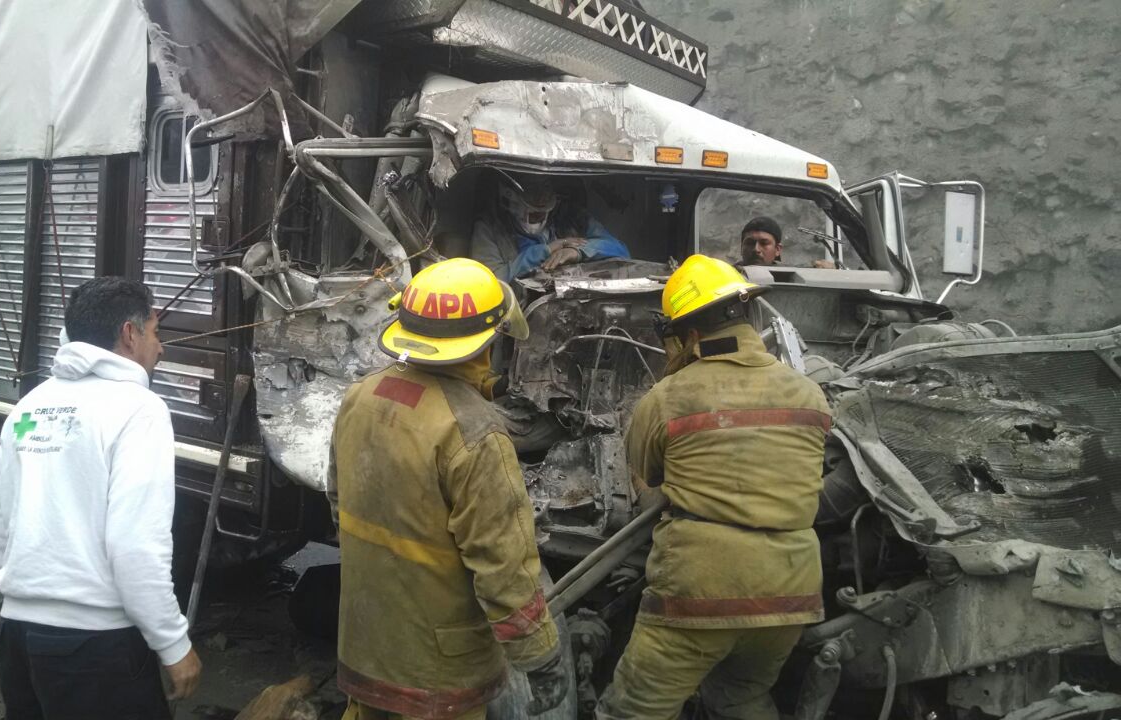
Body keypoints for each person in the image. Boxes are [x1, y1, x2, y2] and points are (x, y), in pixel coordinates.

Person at [328, 257, 567, 720]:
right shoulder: (474, 433)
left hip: (365, 645)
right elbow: (504, 567)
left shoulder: (359, 397)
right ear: (487, 342)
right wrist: (540, 658)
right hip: (439, 671)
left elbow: (339, 505)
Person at [597, 255, 831, 720]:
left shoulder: (667, 398)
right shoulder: (809, 393)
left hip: (699, 594)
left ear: (688, 336)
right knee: (739, 699)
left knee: (632, 711)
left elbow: (648, 475)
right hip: (792, 596)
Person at [0, 277, 200, 719]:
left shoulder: (30, 406)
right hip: (95, 648)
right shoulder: (138, 409)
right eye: (155, 332)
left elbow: (1, 527)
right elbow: (135, 544)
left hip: (16, 639)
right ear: (130, 334)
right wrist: (173, 643)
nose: (160, 348)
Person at [472, 176, 629, 282]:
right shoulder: (489, 228)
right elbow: (487, 282)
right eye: (534, 215)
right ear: (512, 203)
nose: (540, 219)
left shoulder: (571, 217)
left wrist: (577, 252)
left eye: (544, 213)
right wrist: (544, 251)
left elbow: (620, 249)